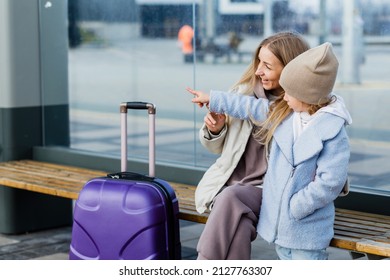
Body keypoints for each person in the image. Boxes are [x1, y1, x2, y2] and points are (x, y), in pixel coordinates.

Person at [188, 42, 352, 260]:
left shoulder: (314, 121)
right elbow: (248, 108)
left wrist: (296, 205)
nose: (258, 71)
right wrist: (214, 110)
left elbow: (331, 179)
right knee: (240, 224)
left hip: (286, 207)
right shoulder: (268, 104)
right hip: (257, 202)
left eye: (267, 65)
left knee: (231, 200)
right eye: (258, 62)